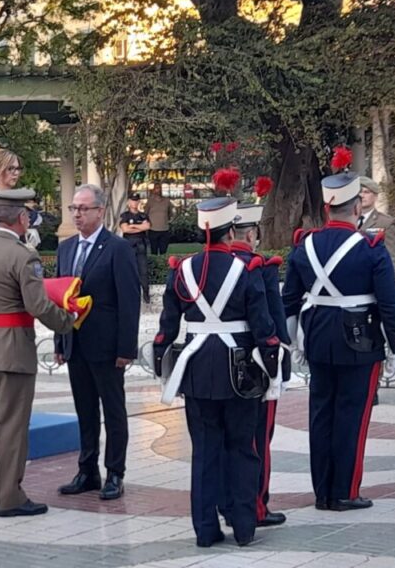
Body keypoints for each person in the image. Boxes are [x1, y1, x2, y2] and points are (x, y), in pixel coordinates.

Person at [153, 197, 280, 548]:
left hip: (196, 369)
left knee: (204, 451)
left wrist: (163, 362)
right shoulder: (248, 269)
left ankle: (205, 529)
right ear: (230, 233)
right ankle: (243, 525)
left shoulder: (182, 269)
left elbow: (166, 328)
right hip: (240, 369)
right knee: (242, 447)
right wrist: (272, 366)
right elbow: (263, 327)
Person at [282, 169, 395, 513]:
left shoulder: (304, 245)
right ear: (355, 210)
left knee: (321, 414)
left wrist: (290, 344)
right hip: (360, 339)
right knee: (352, 415)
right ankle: (345, 491)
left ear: (327, 209)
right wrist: (393, 346)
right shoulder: (371, 247)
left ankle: (322, 491)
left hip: (318, 336)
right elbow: (390, 303)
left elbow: (289, 299)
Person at [0, 188, 75, 517]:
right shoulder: (24, 256)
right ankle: (11, 497)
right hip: (14, 349)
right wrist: (68, 321)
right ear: (21, 219)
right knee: (12, 426)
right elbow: (38, 305)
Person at [54, 184, 141, 502]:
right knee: (84, 410)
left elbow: (129, 302)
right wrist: (60, 340)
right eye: (73, 209)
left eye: (83, 209)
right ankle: (87, 469)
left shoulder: (117, 249)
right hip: (76, 344)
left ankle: (115, 472)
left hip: (107, 347)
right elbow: (60, 298)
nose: (77, 214)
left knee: (113, 410)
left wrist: (125, 349)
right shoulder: (65, 249)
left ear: (100, 211)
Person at [225, 203, 290, 528]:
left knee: (223, 440)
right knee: (257, 439)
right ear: (251, 235)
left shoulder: (205, 265)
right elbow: (275, 324)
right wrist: (282, 372)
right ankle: (256, 506)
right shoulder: (260, 267)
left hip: (218, 365)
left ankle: (226, 502)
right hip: (255, 368)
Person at [357, 177, 395, 271]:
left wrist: (387, 283)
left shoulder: (386, 223)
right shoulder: (348, 221)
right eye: (359, 192)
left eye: (366, 192)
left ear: (375, 196)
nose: (362, 195)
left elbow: (392, 258)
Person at [119, 192, 152, 304]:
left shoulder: (143, 215)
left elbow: (147, 226)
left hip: (141, 246)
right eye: (132, 200)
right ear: (128, 202)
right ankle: (131, 294)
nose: (134, 202)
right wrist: (139, 228)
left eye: (136, 200)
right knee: (129, 271)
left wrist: (133, 226)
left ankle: (146, 294)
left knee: (143, 271)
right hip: (129, 246)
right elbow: (125, 229)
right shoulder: (125, 216)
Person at [145, 184, 172, 255]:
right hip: (153, 229)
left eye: (159, 188)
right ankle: (154, 265)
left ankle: (162, 265)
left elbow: (170, 213)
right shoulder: (150, 201)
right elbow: (145, 214)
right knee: (154, 251)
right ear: (153, 190)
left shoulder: (167, 201)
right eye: (156, 188)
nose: (158, 190)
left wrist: (167, 220)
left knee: (163, 251)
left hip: (164, 229)